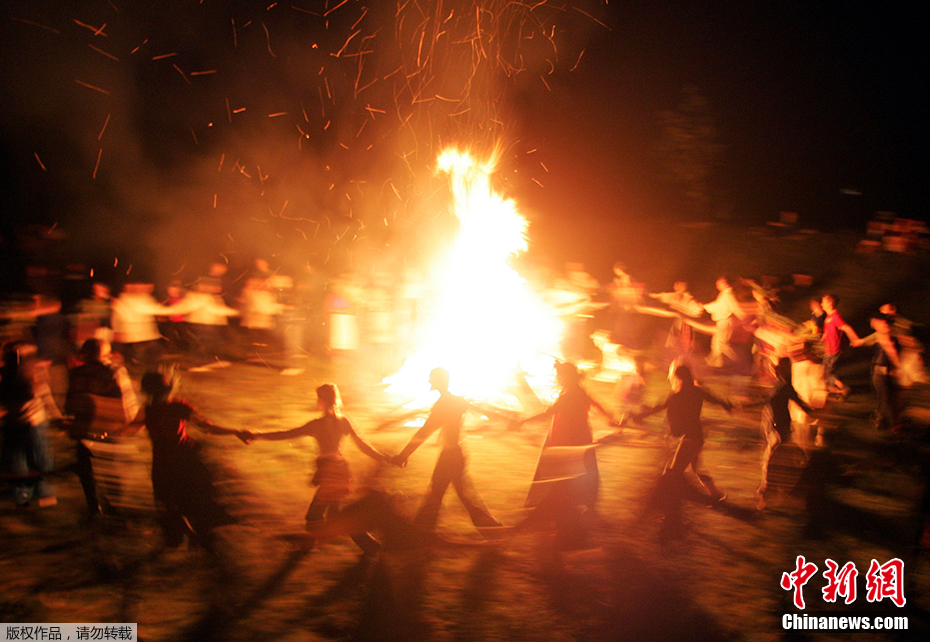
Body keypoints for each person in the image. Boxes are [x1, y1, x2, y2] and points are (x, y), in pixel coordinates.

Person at [243, 383, 389, 554]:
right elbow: (362, 445)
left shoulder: (316, 425)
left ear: (321, 400)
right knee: (337, 516)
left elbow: (285, 434)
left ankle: (308, 546)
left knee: (315, 515)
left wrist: (256, 435)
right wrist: (383, 457)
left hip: (329, 473)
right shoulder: (343, 421)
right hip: (341, 471)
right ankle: (370, 546)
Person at [127, 370, 247, 549]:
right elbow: (207, 427)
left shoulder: (149, 411)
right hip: (181, 460)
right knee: (181, 501)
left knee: (170, 503)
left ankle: (191, 536)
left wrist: (100, 432)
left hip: (164, 463)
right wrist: (235, 432)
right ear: (167, 388)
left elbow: (128, 429)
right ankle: (194, 537)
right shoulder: (174, 407)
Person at [515, 361, 618, 549]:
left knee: (568, 475)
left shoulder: (570, 394)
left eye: (559, 375)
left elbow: (550, 411)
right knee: (584, 471)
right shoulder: (575, 390)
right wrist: (610, 416)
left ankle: (557, 510)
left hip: (570, 439)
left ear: (566, 376)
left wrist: (524, 419)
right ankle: (582, 503)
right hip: (575, 437)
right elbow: (596, 403)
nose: (556, 378)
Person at [390, 368, 503, 532]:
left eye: (431, 378)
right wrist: (507, 418)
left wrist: (403, 455)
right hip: (456, 453)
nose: (429, 381)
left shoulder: (444, 404)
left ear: (439, 381)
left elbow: (425, 431)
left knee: (439, 494)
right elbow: (481, 409)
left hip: (450, 456)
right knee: (454, 494)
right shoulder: (454, 400)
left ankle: (422, 531)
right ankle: (491, 528)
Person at [633, 361, 732, 535]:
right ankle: (715, 495)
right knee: (694, 469)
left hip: (689, 439)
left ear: (676, 377)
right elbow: (714, 399)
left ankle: (675, 516)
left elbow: (659, 407)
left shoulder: (676, 396)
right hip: (696, 437)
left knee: (671, 475)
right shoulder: (696, 391)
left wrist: (640, 416)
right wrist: (726, 405)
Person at [65, 338, 139, 518]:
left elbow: (69, 404)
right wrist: (129, 423)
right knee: (111, 467)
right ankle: (114, 506)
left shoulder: (76, 373)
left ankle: (93, 505)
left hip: (84, 427)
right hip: (107, 427)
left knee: (85, 468)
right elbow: (125, 402)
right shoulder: (114, 372)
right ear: (105, 353)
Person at [0, 342, 60, 507]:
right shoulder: (28, 372)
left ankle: (26, 495)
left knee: (22, 459)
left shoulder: (11, 374)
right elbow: (45, 396)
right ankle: (37, 494)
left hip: (19, 423)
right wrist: (57, 417)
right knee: (35, 459)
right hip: (31, 423)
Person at [755, 357, 816, 510]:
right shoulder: (781, 385)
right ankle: (770, 491)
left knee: (771, 460)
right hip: (775, 428)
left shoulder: (783, 386)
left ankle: (767, 494)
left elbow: (799, 403)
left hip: (778, 429)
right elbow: (800, 404)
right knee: (774, 459)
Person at [853, 313, 902, 431]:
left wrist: (898, 366)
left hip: (882, 370)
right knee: (883, 396)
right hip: (880, 369)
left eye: (875, 322)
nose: (873, 324)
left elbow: (891, 352)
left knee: (885, 397)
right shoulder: (880, 334)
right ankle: (883, 420)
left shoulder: (884, 335)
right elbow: (862, 341)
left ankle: (891, 423)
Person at [820, 294, 860, 396]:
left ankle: (843, 388)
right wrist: (823, 338)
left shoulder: (835, 317)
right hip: (828, 349)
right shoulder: (828, 317)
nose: (821, 304)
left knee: (826, 373)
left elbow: (847, 328)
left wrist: (855, 339)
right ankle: (837, 392)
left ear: (830, 303)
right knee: (827, 372)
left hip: (833, 350)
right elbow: (828, 331)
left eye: (823, 302)